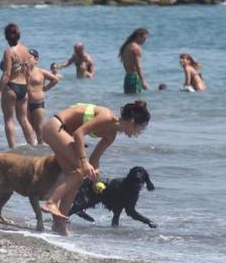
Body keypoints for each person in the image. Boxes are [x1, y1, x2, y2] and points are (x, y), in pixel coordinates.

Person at [41, 101, 151, 236]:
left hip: (63, 134)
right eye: (141, 128)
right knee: (80, 171)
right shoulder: (107, 116)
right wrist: (84, 161)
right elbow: (79, 133)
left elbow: (94, 159)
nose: (140, 132)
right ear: (132, 121)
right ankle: (50, 202)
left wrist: (95, 176)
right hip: (55, 127)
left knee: (76, 179)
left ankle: (59, 225)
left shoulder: (111, 135)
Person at [0, 23, 36, 148]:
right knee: (24, 119)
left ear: (6, 37)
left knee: (9, 120)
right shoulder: (26, 51)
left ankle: (12, 148)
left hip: (11, 87)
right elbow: (28, 72)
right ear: (18, 35)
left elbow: (6, 74)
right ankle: (33, 146)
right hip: (23, 87)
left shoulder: (9, 52)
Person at [26, 48, 61, 145]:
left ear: (36, 60)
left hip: (38, 103)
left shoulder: (41, 72)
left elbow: (55, 80)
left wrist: (45, 88)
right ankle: (31, 146)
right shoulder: (21, 72)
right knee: (28, 126)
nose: (27, 60)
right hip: (24, 103)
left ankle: (41, 146)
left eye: (29, 57)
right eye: (25, 57)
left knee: (39, 127)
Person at [119, 28, 149, 94]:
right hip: (134, 77)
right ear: (138, 36)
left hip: (127, 77)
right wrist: (143, 81)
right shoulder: (136, 48)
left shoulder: (127, 46)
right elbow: (138, 66)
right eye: (144, 38)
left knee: (129, 99)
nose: (145, 41)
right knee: (136, 98)